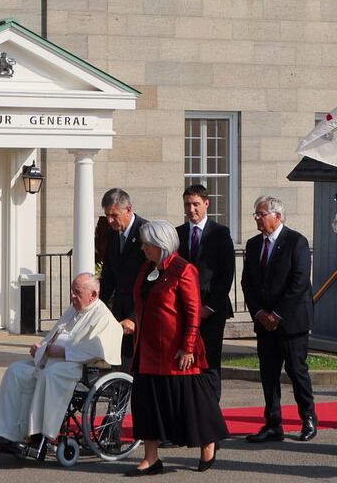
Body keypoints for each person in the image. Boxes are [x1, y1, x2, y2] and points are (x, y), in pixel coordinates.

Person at [0, 273, 122, 458]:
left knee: (49, 376)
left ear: (93, 295)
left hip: (78, 367)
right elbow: (55, 336)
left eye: (77, 292)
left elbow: (95, 351)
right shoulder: (74, 309)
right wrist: (41, 349)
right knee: (16, 371)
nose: (72, 296)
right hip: (51, 361)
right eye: (72, 291)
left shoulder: (103, 317)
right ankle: (5, 435)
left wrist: (62, 352)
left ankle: (36, 438)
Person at [127, 220, 228, 476]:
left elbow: (193, 312)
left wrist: (188, 346)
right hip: (147, 348)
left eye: (147, 244)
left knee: (191, 402)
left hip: (176, 349)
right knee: (147, 403)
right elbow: (141, 302)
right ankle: (151, 457)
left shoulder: (184, 270)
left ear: (161, 244)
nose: (142, 248)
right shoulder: (145, 269)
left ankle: (208, 442)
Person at [241, 195, 317, 443]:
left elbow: (300, 281)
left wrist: (277, 314)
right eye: (256, 214)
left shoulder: (296, 242)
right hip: (265, 323)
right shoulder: (253, 245)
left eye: (261, 214)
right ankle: (273, 424)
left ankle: (308, 418)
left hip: (292, 322)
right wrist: (260, 313)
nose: (257, 219)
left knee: (297, 372)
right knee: (269, 375)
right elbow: (247, 283)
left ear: (277, 216)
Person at [176, 184, 235, 402]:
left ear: (206, 204)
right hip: (184, 311)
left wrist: (208, 308)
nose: (191, 209)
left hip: (212, 310)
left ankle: (211, 420)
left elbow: (226, 274)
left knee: (209, 363)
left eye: (195, 204)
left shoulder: (220, 233)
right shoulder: (178, 234)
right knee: (186, 361)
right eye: (187, 205)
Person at [100, 188, 148, 372]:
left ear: (128, 210)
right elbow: (109, 275)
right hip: (119, 310)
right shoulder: (113, 233)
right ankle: (118, 399)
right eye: (107, 216)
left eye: (114, 215)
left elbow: (150, 283)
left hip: (139, 312)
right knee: (119, 364)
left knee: (135, 366)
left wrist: (134, 317)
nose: (110, 220)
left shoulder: (145, 232)